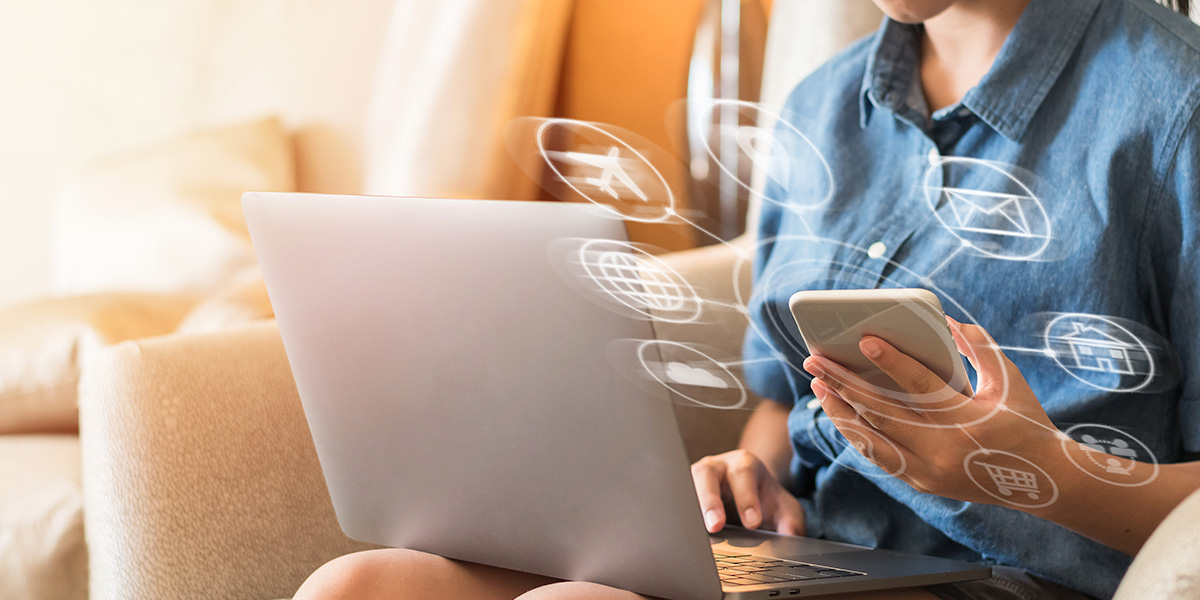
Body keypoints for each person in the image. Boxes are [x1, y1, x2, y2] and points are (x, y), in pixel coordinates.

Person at [295, 0, 1200, 598]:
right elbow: (783, 397)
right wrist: (750, 474)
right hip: (815, 559)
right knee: (359, 587)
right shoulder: (819, 108)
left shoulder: (1170, 106)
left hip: (1005, 580)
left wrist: (1030, 469)